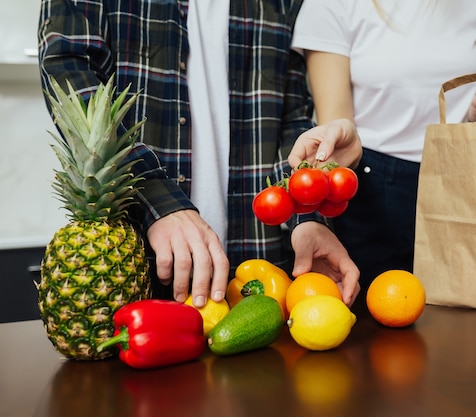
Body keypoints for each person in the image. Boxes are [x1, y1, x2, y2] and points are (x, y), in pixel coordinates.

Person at [38, 0, 362, 308]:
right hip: (136, 267)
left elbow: (289, 117)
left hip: (263, 273)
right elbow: (68, 77)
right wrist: (161, 202)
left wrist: (307, 218)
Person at [292, 0, 476, 291]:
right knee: (379, 315)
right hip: (374, 187)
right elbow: (336, 130)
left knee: (466, 313)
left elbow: (468, 96)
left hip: (462, 178)